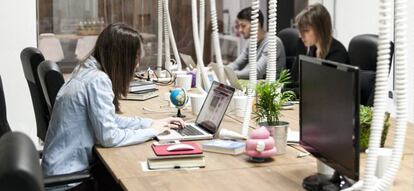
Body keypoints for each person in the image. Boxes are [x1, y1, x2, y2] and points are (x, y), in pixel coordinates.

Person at [41, 23, 185, 190]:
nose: (137, 65)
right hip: (68, 182)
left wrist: (149, 123)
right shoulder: (98, 80)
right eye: (135, 57)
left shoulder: (86, 69)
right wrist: (153, 132)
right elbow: (109, 137)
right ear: (122, 57)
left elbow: (108, 120)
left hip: (58, 171)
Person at [287, 3, 349, 97]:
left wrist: (289, 92)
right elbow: (302, 83)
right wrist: (282, 89)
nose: (301, 36)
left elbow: (320, 91)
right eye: (300, 31)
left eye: (306, 31)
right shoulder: (312, 48)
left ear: (321, 29)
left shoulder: (337, 53)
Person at [227, 7, 286, 80]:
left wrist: (230, 74)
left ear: (256, 24)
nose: (240, 30)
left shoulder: (273, 42)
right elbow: (237, 64)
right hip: (254, 83)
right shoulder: (250, 41)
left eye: (243, 26)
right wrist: (222, 70)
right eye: (239, 26)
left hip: (268, 88)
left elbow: (257, 72)